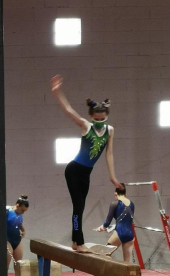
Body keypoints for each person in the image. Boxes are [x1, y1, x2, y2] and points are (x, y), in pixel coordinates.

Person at [50, 74, 123, 253]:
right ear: (91, 117)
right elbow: (68, 111)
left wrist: (112, 177)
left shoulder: (110, 131)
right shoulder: (85, 126)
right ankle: (79, 242)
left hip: (86, 174)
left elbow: (109, 153)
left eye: (102, 119)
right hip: (74, 170)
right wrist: (57, 91)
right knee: (79, 206)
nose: (99, 122)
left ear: (106, 116)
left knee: (80, 207)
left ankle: (75, 242)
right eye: (96, 119)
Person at [95, 184, 135, 262]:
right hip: (130, 234)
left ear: (115, 193)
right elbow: (128, 220)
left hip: (119, 232)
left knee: (105, 254)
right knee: (127, 262)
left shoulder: (114, 204)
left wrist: (101, 228)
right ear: (125, 193)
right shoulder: (132, 204)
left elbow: (107, 223)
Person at [0, 195, 29, 270]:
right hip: (7, 240)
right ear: (17, 206)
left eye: (25, 211)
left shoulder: (20, 214)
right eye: (22, 210)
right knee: (5, 266)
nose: (23, 213)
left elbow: (19, 223)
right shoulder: (7, 210)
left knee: (18, 265)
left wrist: (23, 230)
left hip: (17, 240)